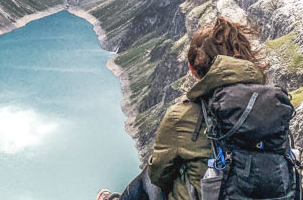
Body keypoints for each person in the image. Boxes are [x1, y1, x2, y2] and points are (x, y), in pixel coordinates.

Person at [97, 16, 269, 200]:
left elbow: (158, 177)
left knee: (150, 176)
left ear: (192, 69)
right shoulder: (271, 108)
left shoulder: (182, 116)